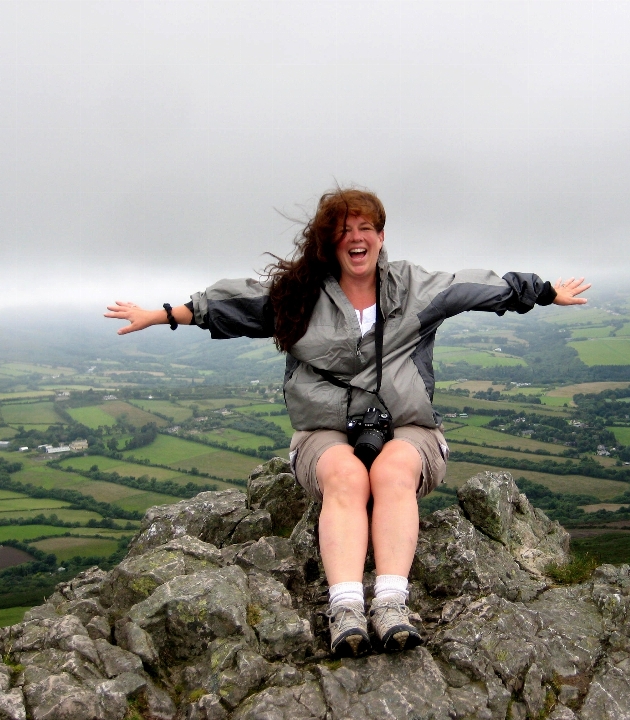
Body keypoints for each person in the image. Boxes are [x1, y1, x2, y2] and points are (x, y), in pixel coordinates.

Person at [105, 188, 590, 657]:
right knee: (346, 476)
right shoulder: (298, 294)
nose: (355, 237)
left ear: (380, 236)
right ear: (327, 241)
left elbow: (479, 288)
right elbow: (229, 308)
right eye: (342, 230)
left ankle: (392, 605)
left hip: (408, 427)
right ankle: (346, 611)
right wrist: (160, 314)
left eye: (365, 227)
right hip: (324, 433)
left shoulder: (414, 288)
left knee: (392, 471)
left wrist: (546, 292)